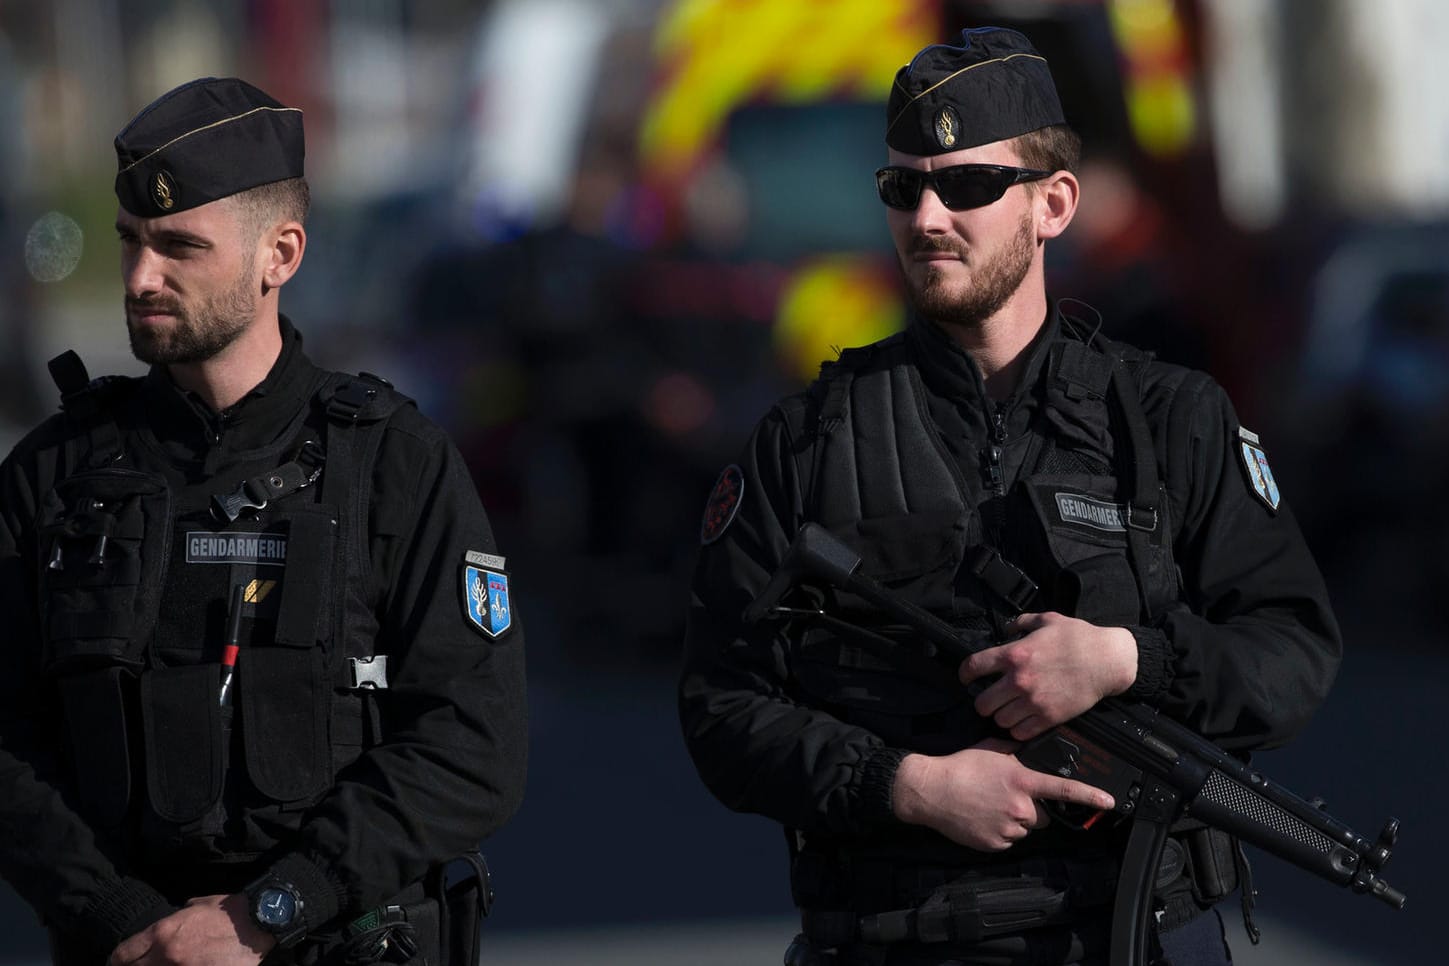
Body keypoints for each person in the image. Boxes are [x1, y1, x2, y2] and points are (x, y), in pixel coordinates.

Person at [679, 28, 1340, 966]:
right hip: (893, 941)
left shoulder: (1169, 421)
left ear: (1052, 204)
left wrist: (1122, 661)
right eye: (902, 187)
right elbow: (722, 704)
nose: (929, 215)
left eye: (969, 185)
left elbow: (1291, 654)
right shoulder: (805, 440)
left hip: (1132, 936)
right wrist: (907, 787)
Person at [0, 77, 527, 965]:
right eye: (130, 242)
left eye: (178, 247)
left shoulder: (395, 462)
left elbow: (471, 741)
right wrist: (119, 915)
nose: (139, 277)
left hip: (339, 936)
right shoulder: (55, 472)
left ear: (279, 254)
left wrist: (269, 910)